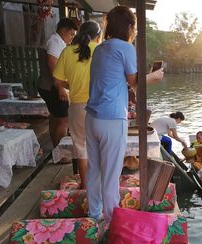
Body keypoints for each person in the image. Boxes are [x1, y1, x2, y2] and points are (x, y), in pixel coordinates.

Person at [85, 6, 164, 224]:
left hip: (92, 117)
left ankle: (93, 215)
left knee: (95, 169)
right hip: (111, 119)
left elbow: (116, 81)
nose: (135, 31)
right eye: (135, 27)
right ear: (129, 27)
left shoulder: (100, 49)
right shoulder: (125, 47)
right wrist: (154, 75)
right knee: (111, 174)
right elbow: (134, 81)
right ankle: (112, 221)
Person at [52, 21, 101, 188]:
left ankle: (85, 186)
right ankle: (100, 184)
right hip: (100, 107)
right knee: (101, 145)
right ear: (98, 36)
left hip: (78, 107)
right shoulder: (101, 50)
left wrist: (71, 84)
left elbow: (57, 80)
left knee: (81, 147)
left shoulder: (67, 51)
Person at [37, 18, 78, 148]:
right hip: (52, 87)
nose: (72, 38)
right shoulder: (55, 41)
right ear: (64, 30)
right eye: (71, 34)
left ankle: (56, 149)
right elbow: (51, 64)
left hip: (47, 86)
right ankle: (61, 153)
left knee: (55, 118)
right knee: (63, 119)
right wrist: (60, 87)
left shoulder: (55, 40)